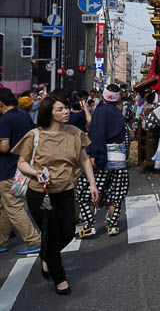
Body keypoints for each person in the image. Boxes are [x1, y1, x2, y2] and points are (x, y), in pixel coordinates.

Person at [13, 94, 98, 295]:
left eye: (66, 108)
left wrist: (92, 184)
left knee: (68, 232)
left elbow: (84, 159)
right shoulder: (34, 135)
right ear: (49, 113)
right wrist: (36, 173)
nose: (66, 111)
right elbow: (22, 163)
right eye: (60, 109)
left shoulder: (75, 133)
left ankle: (46, 256)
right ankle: (60, 278)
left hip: (66, 191)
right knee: (51, 235)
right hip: (41, 194)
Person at [76, 84, 129, 238]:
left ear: (103, 96)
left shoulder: (101, 111)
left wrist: (94, 155)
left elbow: (97, 134)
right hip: (119, 159)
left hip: (103, 158)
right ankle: (113, 226)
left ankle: (88, 226)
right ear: (117, 98)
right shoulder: (118, 112)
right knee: (115, 194)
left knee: (87, 192)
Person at [0, 88, 40, 255]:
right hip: (23, 167)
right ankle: (1, 241)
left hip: (8, 169)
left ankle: (34, 240)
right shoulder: (23, 115)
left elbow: (4, 147)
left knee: (14, 207)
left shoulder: (4, 120)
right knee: (5, 207)